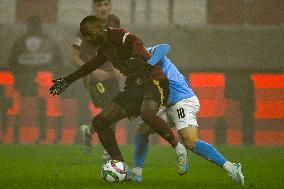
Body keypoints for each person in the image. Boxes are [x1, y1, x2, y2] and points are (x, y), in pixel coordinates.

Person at [49, 15, 188, 177]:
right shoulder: (104, 49)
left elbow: (136, 42)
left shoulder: (119, 35)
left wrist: (136, 57)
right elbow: (89, 67)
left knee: (147, 114)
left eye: (90, 33)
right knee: (99, 122)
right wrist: (67, 80)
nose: (88, 38)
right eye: (85, 35)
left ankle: (179, 148)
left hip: (153, 80)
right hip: (134, 86)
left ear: (101, 27)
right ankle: (121, 166)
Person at [131, 44, 245, 186]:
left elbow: (164, 47)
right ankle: (136, 173)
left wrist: (149, 65)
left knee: (190, 141)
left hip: (183, 101)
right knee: (143, 129)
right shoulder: (133, 67)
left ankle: (232, 168)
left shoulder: (145, 53)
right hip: (171, 105)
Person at [71, 0, 122, 159]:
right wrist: (93, 72)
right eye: (99, 5)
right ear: (94, 7)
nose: (103, 8)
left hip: (111, 75)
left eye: (106, 4)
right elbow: (74, 57)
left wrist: (118, 66)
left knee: (116, 109)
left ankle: (90, 130)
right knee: (111, 109)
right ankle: (109, 149)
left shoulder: (114, 22)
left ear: (110, 6)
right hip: (95, 78)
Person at [8, 16, 63, 144]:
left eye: (35, 25)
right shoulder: (22, 42)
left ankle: (37, 137)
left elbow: (58, 62)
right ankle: (23, 137)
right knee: (28, 110)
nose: (33, 28)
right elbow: (12, 61)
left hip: (39, 81)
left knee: (37, 110)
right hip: (29, 81)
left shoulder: (22, 42)